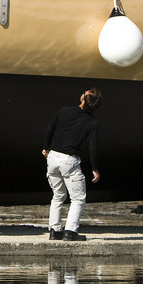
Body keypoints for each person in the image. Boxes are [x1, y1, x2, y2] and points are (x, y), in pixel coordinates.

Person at [43, 88, 101, 242]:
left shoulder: (64, 111)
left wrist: (46, 147)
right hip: (69, 161)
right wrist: (94, 168)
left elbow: (49, 129)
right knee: (78, 198)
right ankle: (70, 231)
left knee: (58, 196)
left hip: (53, 157)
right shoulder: (92, 122)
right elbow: (93, 147)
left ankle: (54, 231)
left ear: (83, 99)